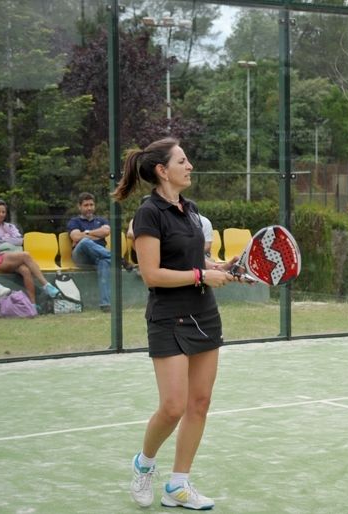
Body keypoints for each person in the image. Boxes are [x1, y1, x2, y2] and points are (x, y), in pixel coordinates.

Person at [112, 137, 241, 510]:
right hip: (168, 318)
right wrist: (202, 275)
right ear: (162, 170)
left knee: (199, 403)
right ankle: (144, 463)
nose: (190, 166)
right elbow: (151, 274)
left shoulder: (191, 210)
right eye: (182, 161)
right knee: (172, 406)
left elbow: (196, 259)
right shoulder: (148, 214)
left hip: (204, 314)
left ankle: (178, 485)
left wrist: (221, 267)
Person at [0, 199, 60, 306]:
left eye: (3, 212)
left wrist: (4, 240)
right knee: (25, 255)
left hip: (13, 257)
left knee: (25, 270)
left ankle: (32, 304)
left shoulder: (10, 226)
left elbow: (20, 240)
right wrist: (9, 239)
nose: (1, 214)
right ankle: (46, 284)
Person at [66, 192, 111, 312]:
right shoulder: (74, 221)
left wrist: (86, 233)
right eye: (86, 205)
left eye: (91, 205)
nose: (89, 208)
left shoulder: (101, 220)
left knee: (104, 262)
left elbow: (106, 232)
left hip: (98, 257)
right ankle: (116, 258)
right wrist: (95, 235)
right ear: (79, 207)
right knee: (85, 242)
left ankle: (105, 304)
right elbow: (76, 237)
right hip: (81, 257)